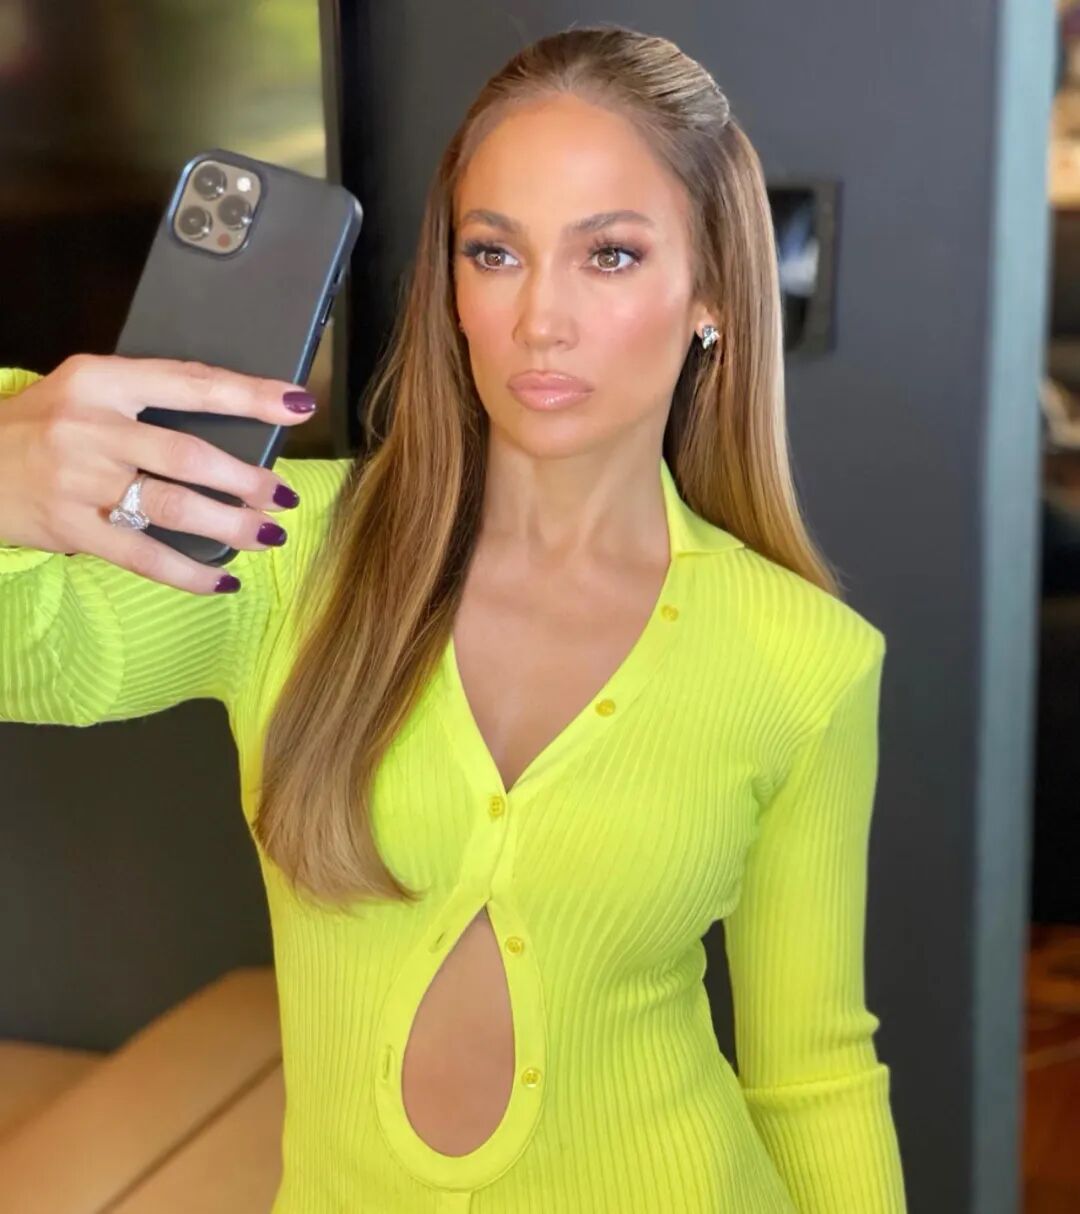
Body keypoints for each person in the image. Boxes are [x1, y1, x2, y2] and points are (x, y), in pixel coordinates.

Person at [0, 24, 907, 1214]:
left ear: (712, 295)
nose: (540, 317)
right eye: (495, 251)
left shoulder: (807, 659)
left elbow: (814, 1075)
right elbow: (38, 663)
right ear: (453, 290)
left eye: (610, 255)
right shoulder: (286, 551)